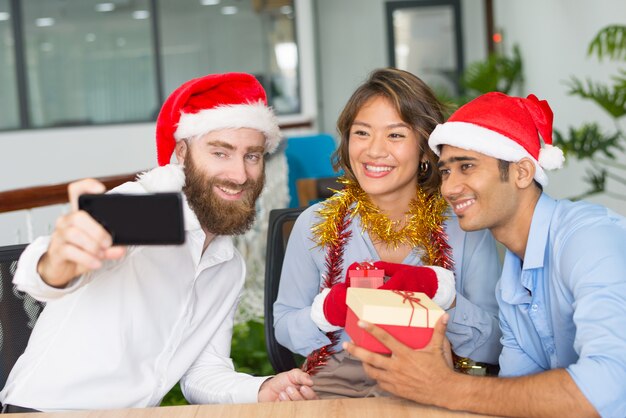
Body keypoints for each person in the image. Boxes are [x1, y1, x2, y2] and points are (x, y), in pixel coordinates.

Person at [0, 73, 317, 413]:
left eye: (251, 156)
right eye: (220, 153)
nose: (239, 175)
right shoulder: (142, 206)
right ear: (182, 153)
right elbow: (40, 274)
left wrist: (263, 388)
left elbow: (203, 374)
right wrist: (58, 260)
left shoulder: (228, 265)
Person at [345, 91, 626, 417]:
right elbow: (514, 394)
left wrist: (443, 386)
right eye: (446, 171)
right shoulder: (513, 283)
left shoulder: (589, 238)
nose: (449, 188)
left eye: (467, 167)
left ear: (522, 172)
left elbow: (610, 385)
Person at [273, 68, 502, 398]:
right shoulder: (314, 224)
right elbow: (284, 325)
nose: (374, 151)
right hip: (336, 383)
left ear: (425, 150)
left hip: (434, 379)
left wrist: (444, 298)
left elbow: (494, 345)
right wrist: (326, 312)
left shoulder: (464, 226)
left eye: (395, 135)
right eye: (362, 133)